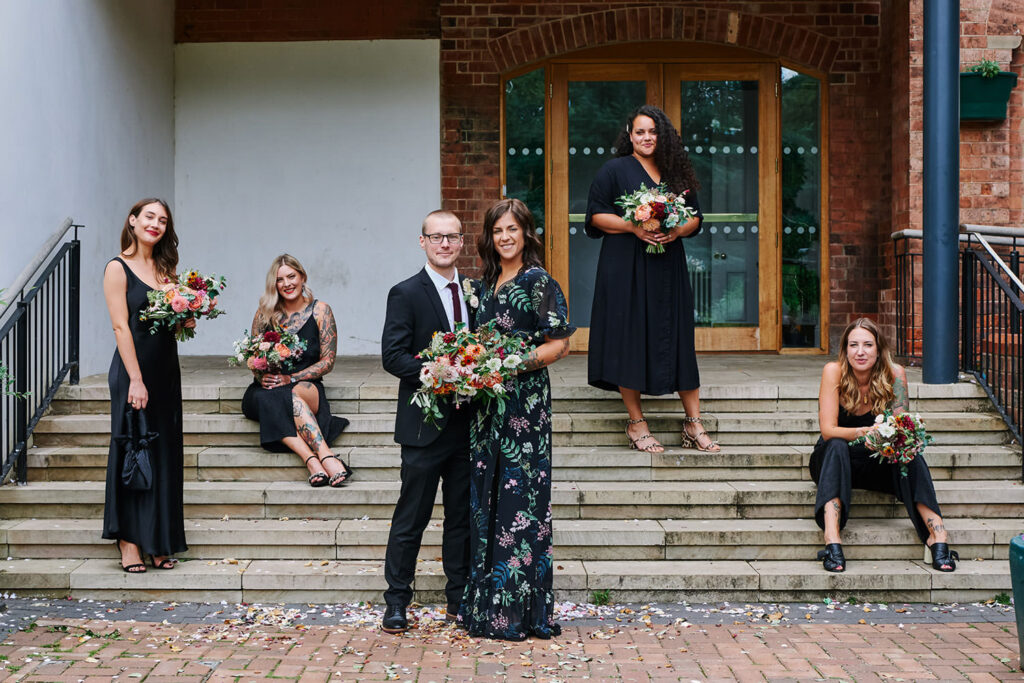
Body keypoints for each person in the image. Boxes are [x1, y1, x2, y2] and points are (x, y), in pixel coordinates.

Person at [459, 198, 575, 641]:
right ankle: (488, 610)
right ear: (489, 237)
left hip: (523, 406)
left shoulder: (538, 282)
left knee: (520, 504)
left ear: (527, 232)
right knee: (486, 499)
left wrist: (509, 365)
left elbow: (559, 344)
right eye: (497, 231)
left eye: (512, 229)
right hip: (486, 407)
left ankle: (520, 613)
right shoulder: (487, 282)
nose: (504, 237)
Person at [585, 104, 719, 455]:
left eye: (653, 132)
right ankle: (637, 423)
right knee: (630, 338)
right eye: (640, 132)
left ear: (663, 137)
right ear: (629, 135)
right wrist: (634, 226)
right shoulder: (615, 170)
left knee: (677, 338)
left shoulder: (675, 174)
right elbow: (596, 215)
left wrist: (675, 232)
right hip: (624, 267)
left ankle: (693, 423)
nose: (647, 138)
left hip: (666, 266)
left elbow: (695, 219)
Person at [380, 210, 474, 634]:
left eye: (451, 237)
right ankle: (397, 601)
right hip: (423, 425)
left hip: (469, 423)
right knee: (411, 518)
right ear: (422, 242)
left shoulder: (475, 291)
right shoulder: (405, 293)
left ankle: (458, 600)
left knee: (461, 518)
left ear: (460, 242)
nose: (444, 244)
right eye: (435, 237)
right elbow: (393, 355)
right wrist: (436, 371)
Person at [810, 318, 958, 573]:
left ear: (879, 349)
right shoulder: (833, 371)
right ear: (845, 349)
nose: (860, 351)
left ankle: (937, 535)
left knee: (908, 450)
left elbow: (902, 431)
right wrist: (868, 431)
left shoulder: (895, 374)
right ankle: (832, 539)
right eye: (853, 345)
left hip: (875, 461)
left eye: (868, 344)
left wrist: (895, 437)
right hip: (833, 461)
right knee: (835, 444)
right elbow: (827, 430)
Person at [102, 198, 188, 573]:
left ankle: (160, 539)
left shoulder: (167, 269)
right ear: (133, 221)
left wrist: (188, 317)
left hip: (166, 371)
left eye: (163, 220)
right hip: (133, 372)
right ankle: (129, 541)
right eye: (149, 217)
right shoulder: (116, 268)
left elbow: (173, 326)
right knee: (133, 448)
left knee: (164, 452)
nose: (156, 224)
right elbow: (122, 327)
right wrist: (135, 379)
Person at [241, 255, 351, 487]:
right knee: (273, 397)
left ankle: (318, 458)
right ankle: (319, 458)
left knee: (288, 395)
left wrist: (290, 377)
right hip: (267, 389)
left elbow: (328, 361)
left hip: (305, 384)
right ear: (274, 284)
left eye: (291, 276)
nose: (287, 283)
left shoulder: (321, 311)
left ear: (302, 277)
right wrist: (263, 375)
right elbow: (253, 357)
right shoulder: (265, 313)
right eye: (280, 279)